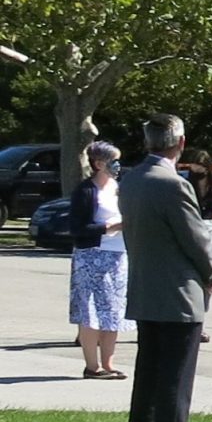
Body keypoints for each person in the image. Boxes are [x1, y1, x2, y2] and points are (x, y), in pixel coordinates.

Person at [121, 114, 212, 422]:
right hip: (179, 291)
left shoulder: (131, 179)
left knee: (148, 372)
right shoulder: (173, 185)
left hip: (145, 286)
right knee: (176, 378)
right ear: (179, 143)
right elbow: (195, 239)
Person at [68, 141, 128, 380]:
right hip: (91, 256)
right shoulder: (85, 191)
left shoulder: (118, 188)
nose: (117, 166)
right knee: (91, 311)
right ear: (99, 163)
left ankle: (108, 363)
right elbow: (77, 228)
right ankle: (92, 366)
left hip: (118, 256)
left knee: (113, 311)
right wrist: (108, 227)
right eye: (113, 161)